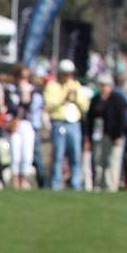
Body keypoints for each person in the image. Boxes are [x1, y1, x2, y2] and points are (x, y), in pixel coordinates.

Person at [43, 59, 88, 190]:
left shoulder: (76, 85)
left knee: (76, 156)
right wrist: (64, 95)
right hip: (59, 123)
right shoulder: (52, 86)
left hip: (74, 124)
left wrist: (75, 96)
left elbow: (84, 105)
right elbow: (50, 105)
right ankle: (55, 185)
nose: (69, 77)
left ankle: (76, 185)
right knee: (58, 156)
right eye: (66, 74)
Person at [86, 73, 127, 192]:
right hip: (97, 135)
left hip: (113, 135)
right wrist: (88, 137)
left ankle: (110, 187)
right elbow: (90, 119)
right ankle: (97, 186)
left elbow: (121, 118)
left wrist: (119, 135)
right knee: (98, 161)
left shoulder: (117, 99)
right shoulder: (95, 100)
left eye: (106, 85)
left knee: (112, 162)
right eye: (101, 85)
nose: (104, 88)